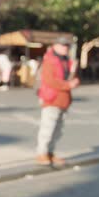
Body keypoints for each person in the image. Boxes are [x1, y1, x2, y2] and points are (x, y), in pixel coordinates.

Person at [36, 36, 80, 166]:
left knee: (58, 129)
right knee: (48, 127)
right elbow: (49, 81)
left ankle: (50, 152)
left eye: (67, 46)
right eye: (63, 45)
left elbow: (70, 77)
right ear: (55, 46)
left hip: (64, 99)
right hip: (52, 98)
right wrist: (68, 85)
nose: (65, 48)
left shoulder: (66, 61)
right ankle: (41, 153)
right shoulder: (49, 60)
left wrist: (74, 78)